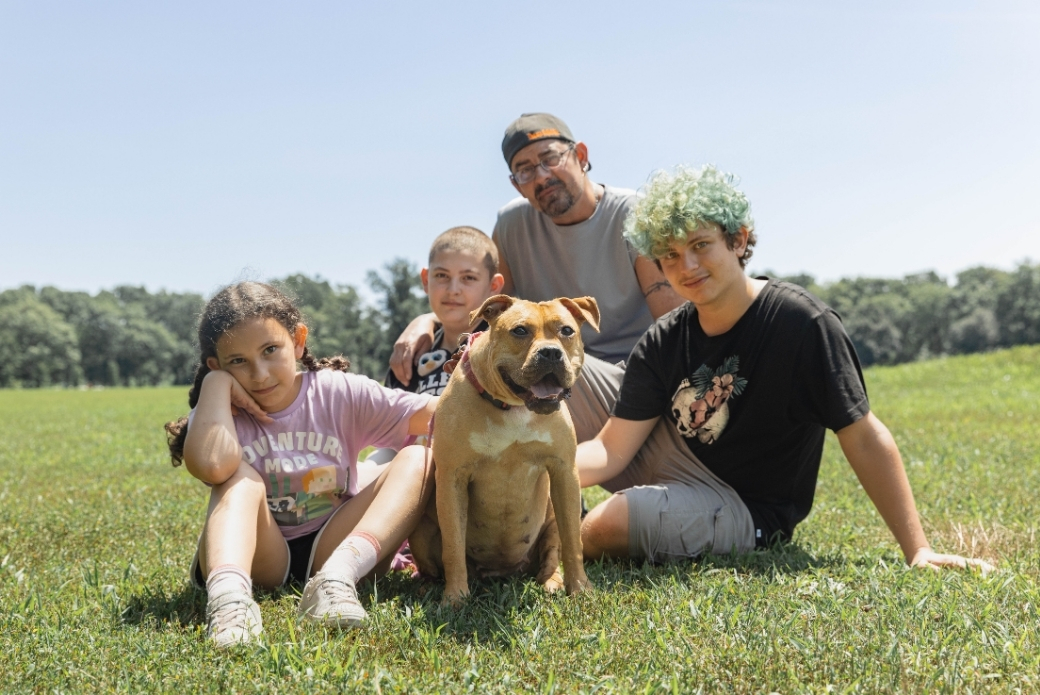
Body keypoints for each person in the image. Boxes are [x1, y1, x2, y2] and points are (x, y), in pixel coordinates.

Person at [576, 165, 994, 573]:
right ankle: (530, 514)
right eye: (670, 255)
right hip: (673, 458)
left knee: (603, 526)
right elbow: (612, 450)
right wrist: (538, 472)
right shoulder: (666, 336)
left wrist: (917, 550)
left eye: (701, 245)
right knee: (560, 376)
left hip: (744, 506)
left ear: (737, 241)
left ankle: (553, 535)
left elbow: (863, 435)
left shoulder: (800, 322)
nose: (687, 267)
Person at [164, 282, 436, 648]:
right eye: (237, 362)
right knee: (238, 477)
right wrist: (215, 384)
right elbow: (212, 467)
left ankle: (336, 581)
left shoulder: (336, 391)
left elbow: (434, 418)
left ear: (298, 340)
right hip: (262, 554)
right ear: (217, 365)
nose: (259, 374)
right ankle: (229, 601)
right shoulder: (219, 413)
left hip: (333, 544)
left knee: (420, 457)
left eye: (270, 350)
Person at [389, 113, 684, 385]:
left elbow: (675, 326)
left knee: (551, 361)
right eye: (525, 170)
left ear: (581, 156)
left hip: (629, 375)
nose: (542, 176)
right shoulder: (511, 224)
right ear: (516, 185)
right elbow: (483, 309)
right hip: (546, 373)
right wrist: (425, 321)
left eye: (550, 158)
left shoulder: (634, 215)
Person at [361, 225, 504, 471]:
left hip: (480, 467)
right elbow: (390, 428)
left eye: (468, 278)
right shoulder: (411, 352)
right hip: (414, 467)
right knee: (376, 460)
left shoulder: (500, 348)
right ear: (426, 280)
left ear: (493, 286)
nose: (453, 289)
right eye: (442, 276)